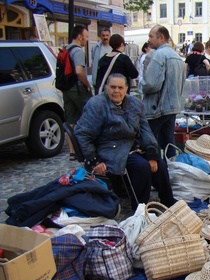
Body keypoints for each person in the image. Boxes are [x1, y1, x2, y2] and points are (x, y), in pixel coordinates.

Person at [74, 73, 176, 211]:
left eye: (120, 87)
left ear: (126, 89)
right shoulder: (96, 104)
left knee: (160, 164)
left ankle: (168, 201)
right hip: (109, 149)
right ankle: (140, 209)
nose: (117, 91)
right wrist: (94, 160)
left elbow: (145, 130)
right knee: (141, 166)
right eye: (113, 87)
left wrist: (152, 153)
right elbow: (83, 133)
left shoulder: (135, 103)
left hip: (134, 147)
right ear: (106, 88)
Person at [140, 25, 185, 159]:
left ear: (161, 38)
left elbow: (151, 84)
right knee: (168, 144)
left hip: (157, 108)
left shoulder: (158, 55)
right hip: (171, 107)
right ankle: (169, 172)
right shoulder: (176, 56)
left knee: (149, 143)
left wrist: (141, 83)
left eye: (151, 36)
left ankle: (154, 174)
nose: (149, 40)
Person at [63, 25, 92, 162]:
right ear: (79, 36)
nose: (86, 40)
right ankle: (88, 147)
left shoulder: (66, 49)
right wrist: (87, 84)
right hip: (78, 88)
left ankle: (72, 152)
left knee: (71, 120)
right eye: (86, 37)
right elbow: (79, 71)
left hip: (66, 88)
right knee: (90, 114)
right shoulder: (78, 51)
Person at [91, 28, 112, 93]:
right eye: (103, 35)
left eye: (107, 35)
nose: (105, 37)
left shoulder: (113, 47)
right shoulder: (96, 47)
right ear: (100, 36)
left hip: (111, 76)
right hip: (99, 77)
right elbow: (93, 61)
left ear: (110, 36)